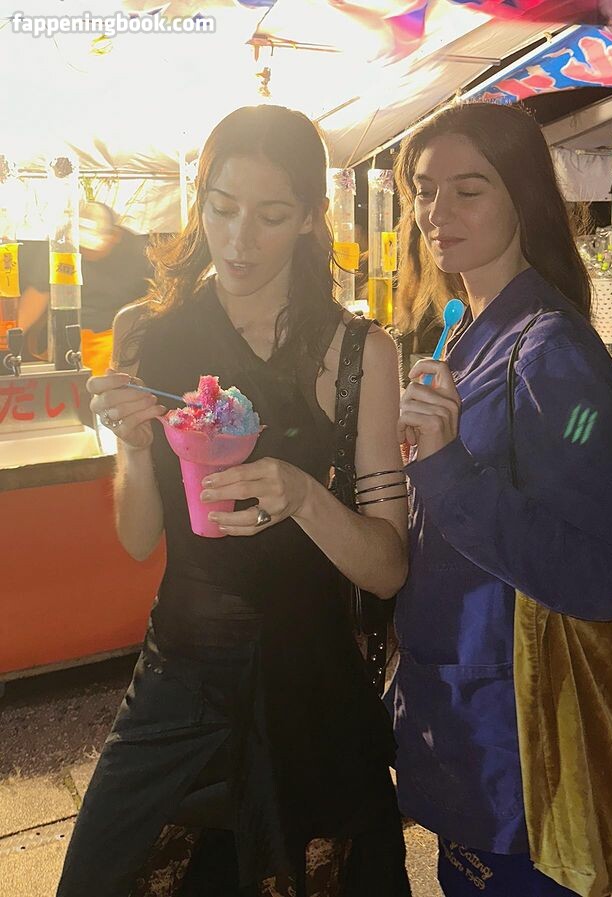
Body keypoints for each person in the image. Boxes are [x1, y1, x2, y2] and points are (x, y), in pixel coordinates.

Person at [56, 105, 410, 897]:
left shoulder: (359, 354)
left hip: (312, 679)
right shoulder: (151, 336)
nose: (239, 240)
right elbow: (140, 538)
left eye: (271, 215)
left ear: (310, 218)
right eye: (222, 208)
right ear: (200, 204)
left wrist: (304, 494)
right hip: (183, 672)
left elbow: (387, 567)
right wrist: (133, 445)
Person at [388, 100, 612, 897]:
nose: (437, 211)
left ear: (522, 198)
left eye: (469, 189)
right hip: (462, 724)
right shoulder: (462, 328)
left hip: (522, 753)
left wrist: (446, 470)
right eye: (425, 190)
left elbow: (606, 574)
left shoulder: (550, 354)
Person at [18, 201, 152, 374]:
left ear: (115, 236)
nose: (87, 251)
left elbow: (156, 299)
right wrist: (8, 338)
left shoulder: (138, 252)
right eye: (82, 245)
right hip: (71, 337)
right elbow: (37, 294)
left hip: (118, 338)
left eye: (93, 246)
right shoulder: (62, 248)